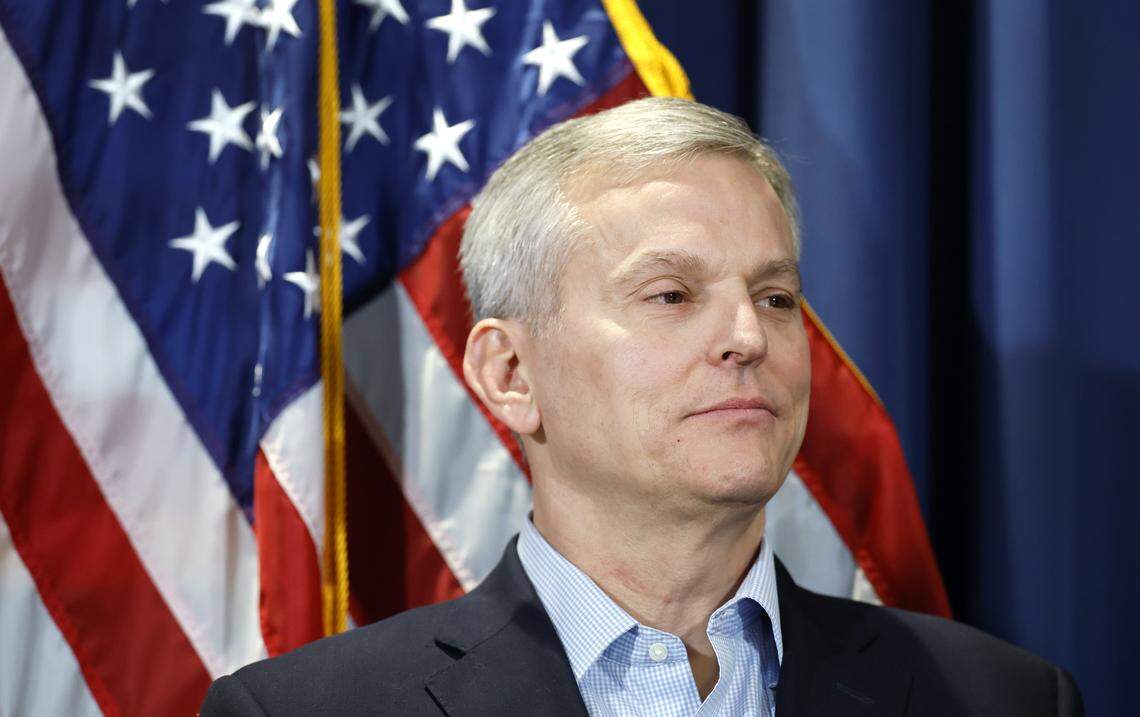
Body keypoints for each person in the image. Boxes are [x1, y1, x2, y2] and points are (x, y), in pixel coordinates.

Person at [201, 97, 1083, 716]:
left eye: (776, 296)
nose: (749, 335)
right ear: (509, 372)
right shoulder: (305, 710)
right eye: (671, 294)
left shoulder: (1004, 699)